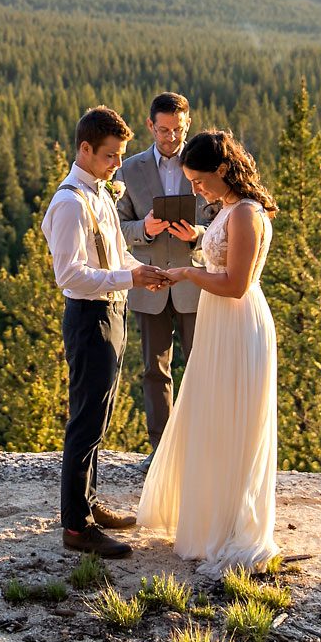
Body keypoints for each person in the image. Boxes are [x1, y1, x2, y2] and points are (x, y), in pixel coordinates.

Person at [136, 129, 282, 573]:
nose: (196, 189)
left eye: (199, 181)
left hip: (237, 322)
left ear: (222, 170)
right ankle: (210, 517)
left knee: (231, 419)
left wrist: (187, 273)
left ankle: (231, 525)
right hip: (218, 322)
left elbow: (236, 285)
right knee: (210, 414)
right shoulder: (229, 209)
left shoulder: (246, 215)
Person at [40, 106, 170, 557]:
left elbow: (115, 257)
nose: (119, 164)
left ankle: (91, 504)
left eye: (121, 155)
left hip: (113, 313)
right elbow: (71, 276)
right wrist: (128, 280)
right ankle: (76, 527)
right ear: (85, 149)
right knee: (84, 422)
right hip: (88, 318)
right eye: (112, 155)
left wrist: (142, 270)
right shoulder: (70, 203)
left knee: (101, 417)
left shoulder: (102, 195)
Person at [114, 92, 216, 457]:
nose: (170, 137)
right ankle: (161, 454)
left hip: (194, 283)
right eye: (163, 130)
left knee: (200, 371)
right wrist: (146, 227)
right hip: (150, 283)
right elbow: (116, 228)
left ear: (187, 124)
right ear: (150, 126)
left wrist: (198, 235)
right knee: (155, 372)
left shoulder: (206, 164)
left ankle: (200, 452)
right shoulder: (128, 170)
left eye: (177, 130)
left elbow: (222, 221)